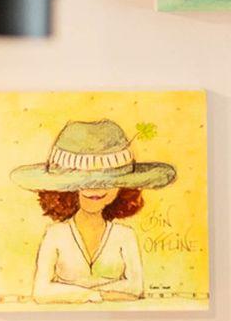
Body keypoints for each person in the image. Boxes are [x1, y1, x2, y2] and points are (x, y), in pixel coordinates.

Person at [9, 119, 177, 304]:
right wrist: (97, 295)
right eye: (83, 184)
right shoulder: (55, 234)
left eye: (108, 182)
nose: (95, 190)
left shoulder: (125, 235)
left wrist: (70, 293)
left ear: (122, 188)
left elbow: (135, 288)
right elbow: (41, 292)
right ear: (66, 190)